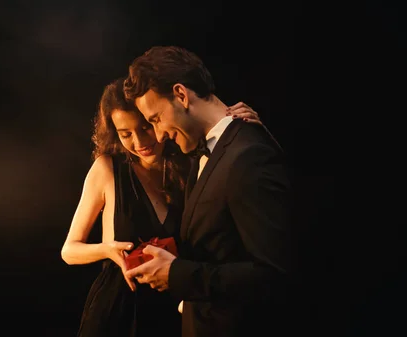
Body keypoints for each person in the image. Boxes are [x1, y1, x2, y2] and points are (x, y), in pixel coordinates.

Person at [60, 76, 262, 337]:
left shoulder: (191, 164)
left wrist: (244, 128)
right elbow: (69, 250)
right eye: (125, 134)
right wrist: (107, 250)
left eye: (145, 127)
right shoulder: (108, 169)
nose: (140, 141)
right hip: (120, 308)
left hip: (175, 306)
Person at [122, 46, 297, 337]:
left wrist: (177, 274)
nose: (160, 134)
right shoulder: (208, 152)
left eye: (155, 119)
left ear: (181, 94)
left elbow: (273, 275)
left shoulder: (248, 154)